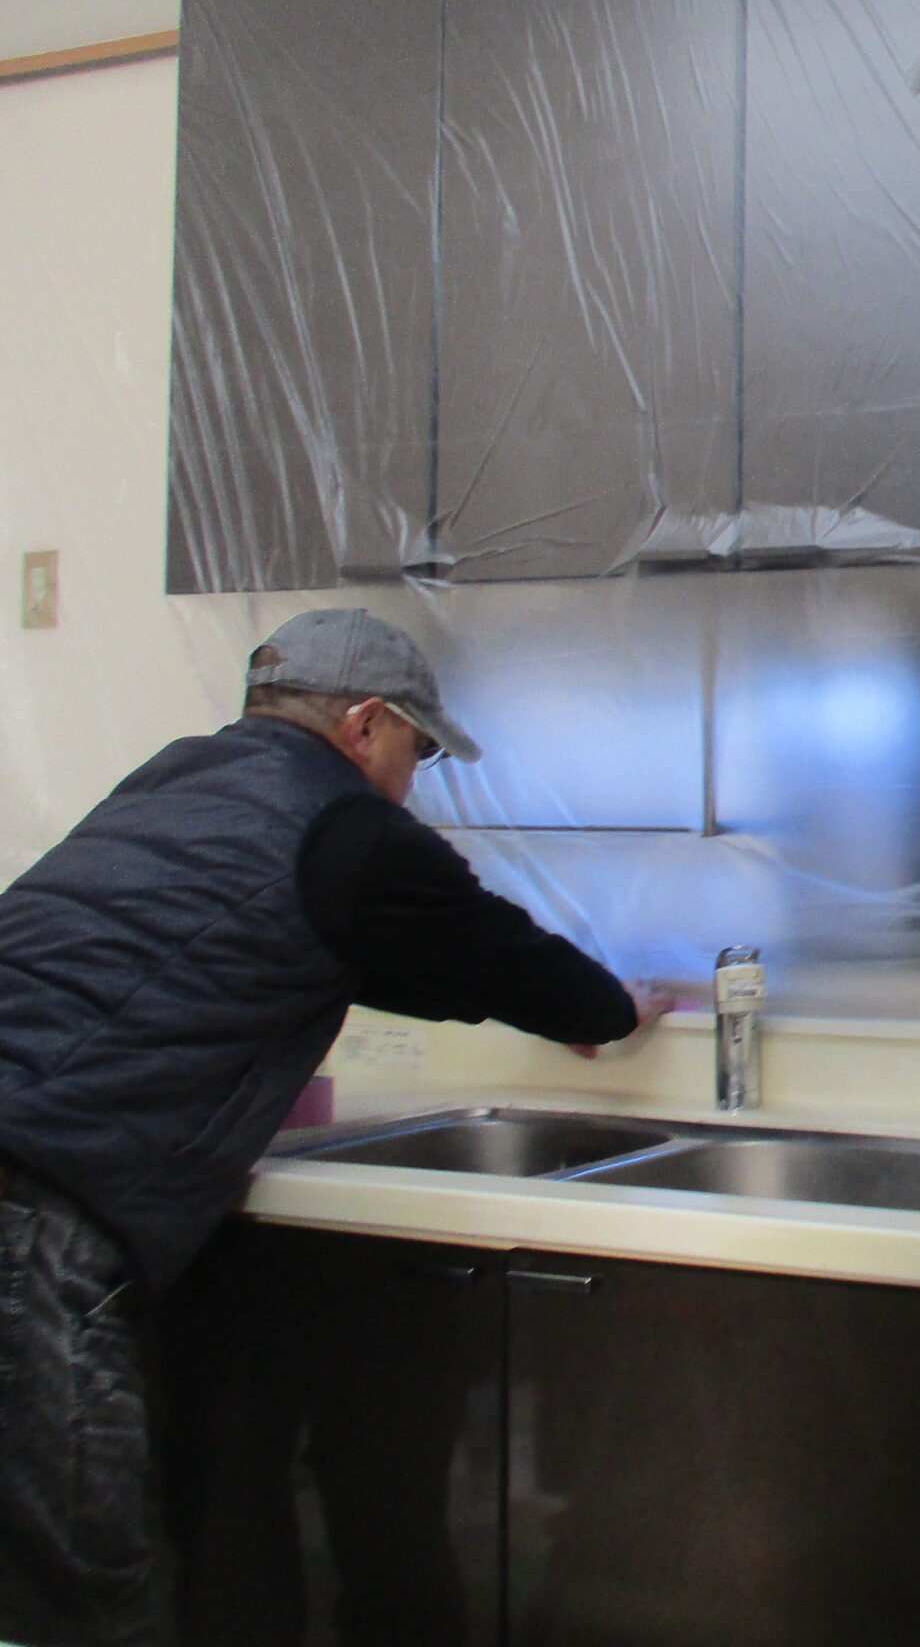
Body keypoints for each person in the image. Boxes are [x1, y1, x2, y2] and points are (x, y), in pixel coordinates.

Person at [0, 607, 661, 1647]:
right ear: (365, 725)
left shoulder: (172, 783)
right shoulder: (346, 827)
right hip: (33, 1210)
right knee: (81, 1593)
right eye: (418, 750)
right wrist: (610, 1009)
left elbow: (339, 945)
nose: (414, 779)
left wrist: (538, 1008)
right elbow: (489, 948)